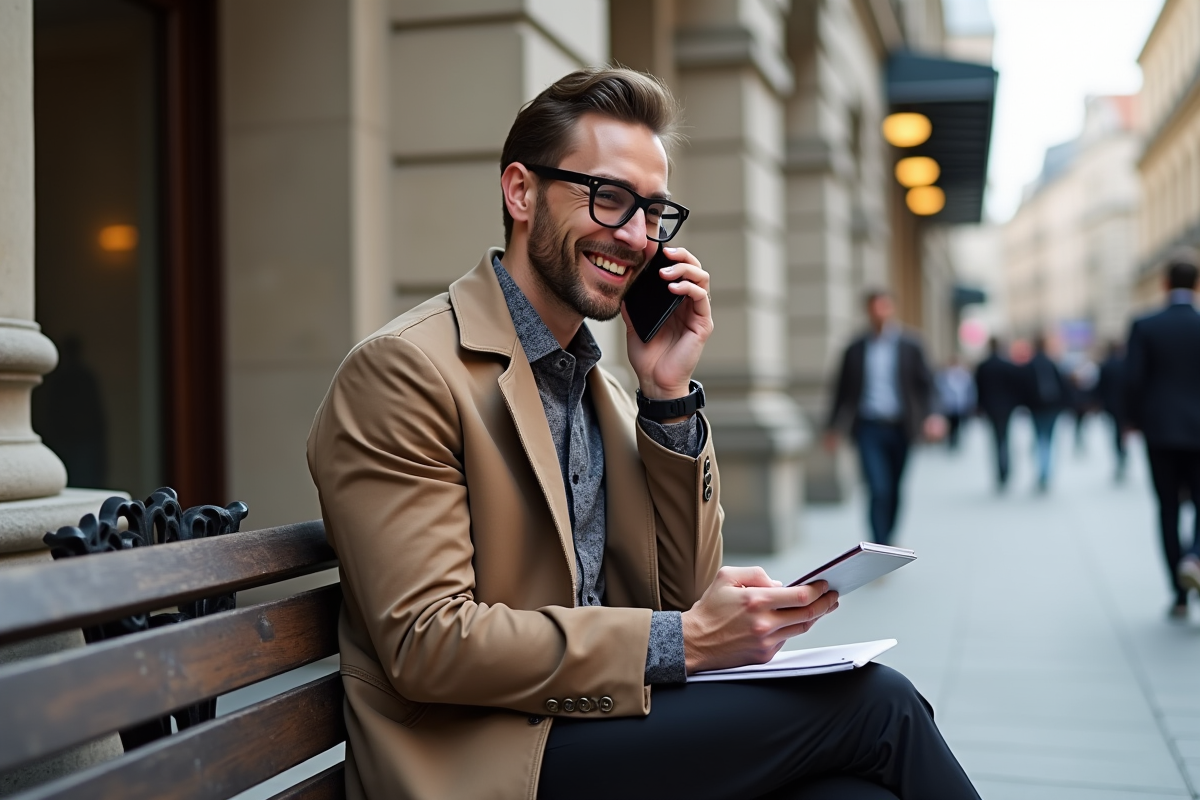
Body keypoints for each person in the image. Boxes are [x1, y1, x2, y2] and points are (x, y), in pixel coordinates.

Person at [306, 68, 978, 800]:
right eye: (609, 198)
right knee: (878, 706)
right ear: (521, 192)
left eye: (653, 211)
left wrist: (666, 394)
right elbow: (426, 644)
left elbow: (685, 588)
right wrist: (684, 641)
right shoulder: (405, 371)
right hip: (487, 755)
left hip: (602, 724)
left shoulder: (606, 385)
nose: (634, 236)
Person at [823, 291, 941, 547]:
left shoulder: (912, 344)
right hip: (868, 427)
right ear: (867, 312)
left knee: (895, 489)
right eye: (874, 309)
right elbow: (841, 391)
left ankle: (889, 536)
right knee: (878, 488)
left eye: (883, 308)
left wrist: (933, 416)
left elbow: (928, 385)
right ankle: (880, 544)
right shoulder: (855, 349)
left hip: (902, 427)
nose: (879, 314)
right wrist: (832, 428)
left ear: (892, 309)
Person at [1124, 255, 1200, 620]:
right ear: (1196, 285)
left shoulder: (1146, 325)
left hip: (1161, 430)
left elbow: (1133, 379)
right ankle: (1196, 557)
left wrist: (1132, 420)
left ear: (1165, 284)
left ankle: (1179, 593)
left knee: (1168, 509)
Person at [974, 337, 1023, 490]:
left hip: (991, 408)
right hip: (1006, 408)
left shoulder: (983, 366)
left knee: (995, 440)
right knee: (1005, 438)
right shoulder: (1007, 365)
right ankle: (1006, 470)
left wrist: (980, 407)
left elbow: (979, 389)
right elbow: (1016, 387)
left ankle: (1000, 472)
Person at [1022, 335, 1069, 493]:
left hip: (1037, 408)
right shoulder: (1051, 363)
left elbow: (1025, 388)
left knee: (1039, 439)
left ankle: (1042, 472)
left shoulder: (1030, 365)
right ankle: (1046, 472)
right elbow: (1062, 385)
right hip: (1052, 408)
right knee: (1048, 439)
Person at [1096, 340, 1128, 481]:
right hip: (1124, 404)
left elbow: (1100, 387)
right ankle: (1123, 453)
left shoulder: (1106, 365)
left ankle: (1120, 453)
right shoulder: (1125, 363)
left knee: (1116, 431)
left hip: (1111, 405)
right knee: (1121, 430)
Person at [935, 356, 976, 451]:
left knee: (957, 424)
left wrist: (970, 403)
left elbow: (970, 390)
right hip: (948, 405)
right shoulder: (943, 375)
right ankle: (951, 441)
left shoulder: (964, 375)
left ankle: (955, 441)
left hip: (960, 405)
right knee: (950, 423)